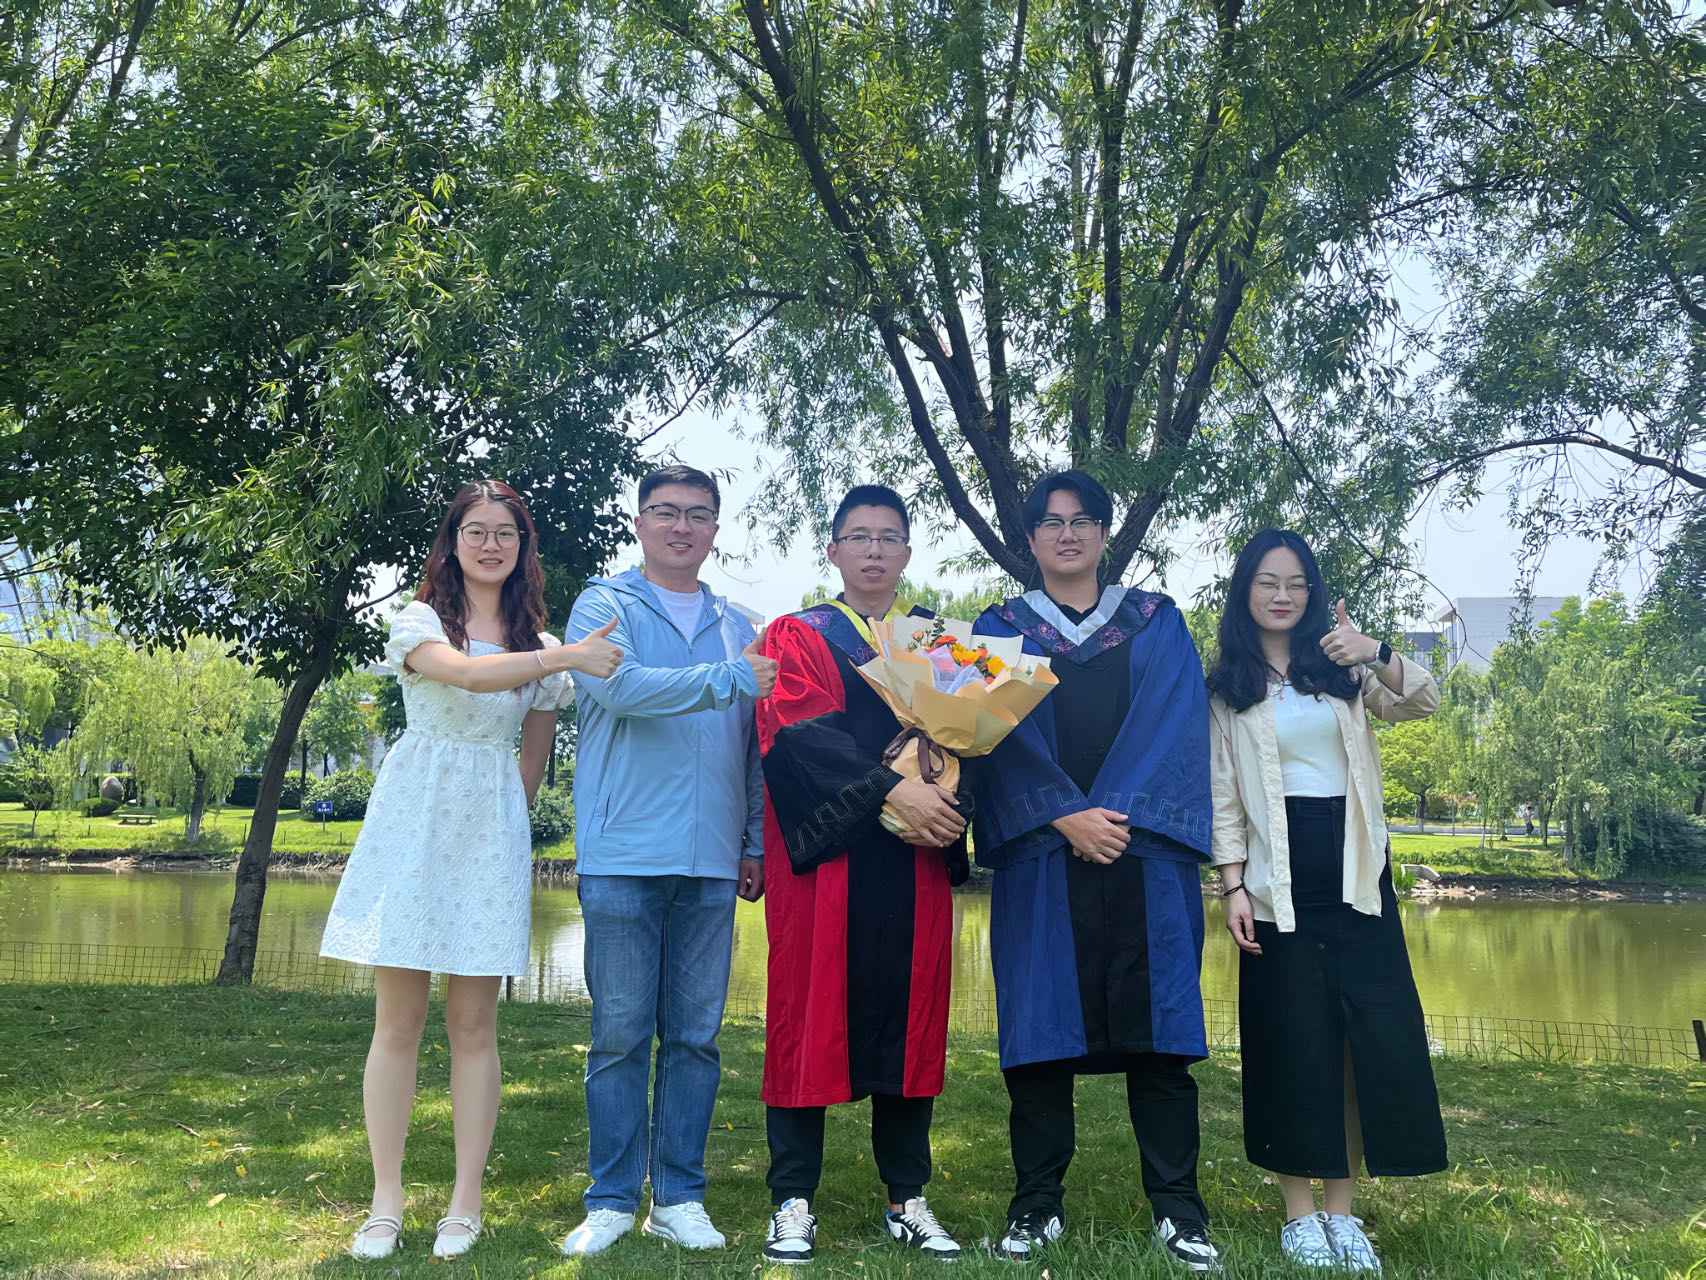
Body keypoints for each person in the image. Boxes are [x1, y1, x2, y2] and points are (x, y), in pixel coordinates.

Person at [320, 479, 622, 1261]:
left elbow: (532, 762)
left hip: (489, 833)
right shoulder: (420, 622)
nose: (491, 544)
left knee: (474, 1025)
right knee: (398, 1023)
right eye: (476, 531)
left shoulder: (541, 648)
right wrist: (567, 653)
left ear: (523, 548)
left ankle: (465, 1200)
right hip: (412, 824)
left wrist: (503, 836)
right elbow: (466, 676)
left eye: (506, 533)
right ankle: (385, 1200)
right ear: (451, 542)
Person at [967, 470, 1222, 1274]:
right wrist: (1062, 814)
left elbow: (1175, 727)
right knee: (1040, 1042)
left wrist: (1107, 814)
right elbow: (993, 739)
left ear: (1105, 533)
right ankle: (1035, 1205)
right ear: (1031, 538)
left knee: (1160, 1044)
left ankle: (1179, 1212)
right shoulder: (997, 631)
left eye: (1082, 520)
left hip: (1141, 853)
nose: (1067, 534)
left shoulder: (1156, 621)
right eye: (1051, 522)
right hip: (1045, 855)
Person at [1207, 528, 1447, 1274]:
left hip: (1357, 872)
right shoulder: (1228, 687)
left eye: (1296, 583)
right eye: (1267, 582)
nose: (1282, 595)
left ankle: (1343, 1215)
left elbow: (1424, 699)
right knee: (1293, 1042)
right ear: (1246, 592)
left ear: (1311, 593)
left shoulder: (1341, 666)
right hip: (1278, 880)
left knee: (1358, 1039)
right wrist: (1232, 884)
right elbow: (1223, 795)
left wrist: (1374, 649)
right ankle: (1299, 1216)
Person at [558, 463, 778, 1257]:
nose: (681, 526)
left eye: (698, 514)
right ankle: (612, 1199)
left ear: (715, 528)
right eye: (665, 511)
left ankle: (679, 1196)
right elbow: (622, 689)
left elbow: (752, 750)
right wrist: (728, 678)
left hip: (712, 859)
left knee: (695, 1038)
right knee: (619, 1034)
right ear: (640, 522)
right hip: (622, 852)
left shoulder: (741, 625)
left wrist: (752, 841)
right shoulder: (603, 606)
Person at [754, 485, 968, 1265]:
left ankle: (907, 1197)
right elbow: (797, 738)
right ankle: (792, 1200)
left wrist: (945, 793)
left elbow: (971, 741)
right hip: (831, 868)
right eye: (859, 536)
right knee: (807, 1019)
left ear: (906, 551)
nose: (874, 550)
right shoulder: (800, 633)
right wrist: (893, 791)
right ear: (834, 550)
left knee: (912, 1024)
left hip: (914, 862)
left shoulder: (939, 643)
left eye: (889, 537)